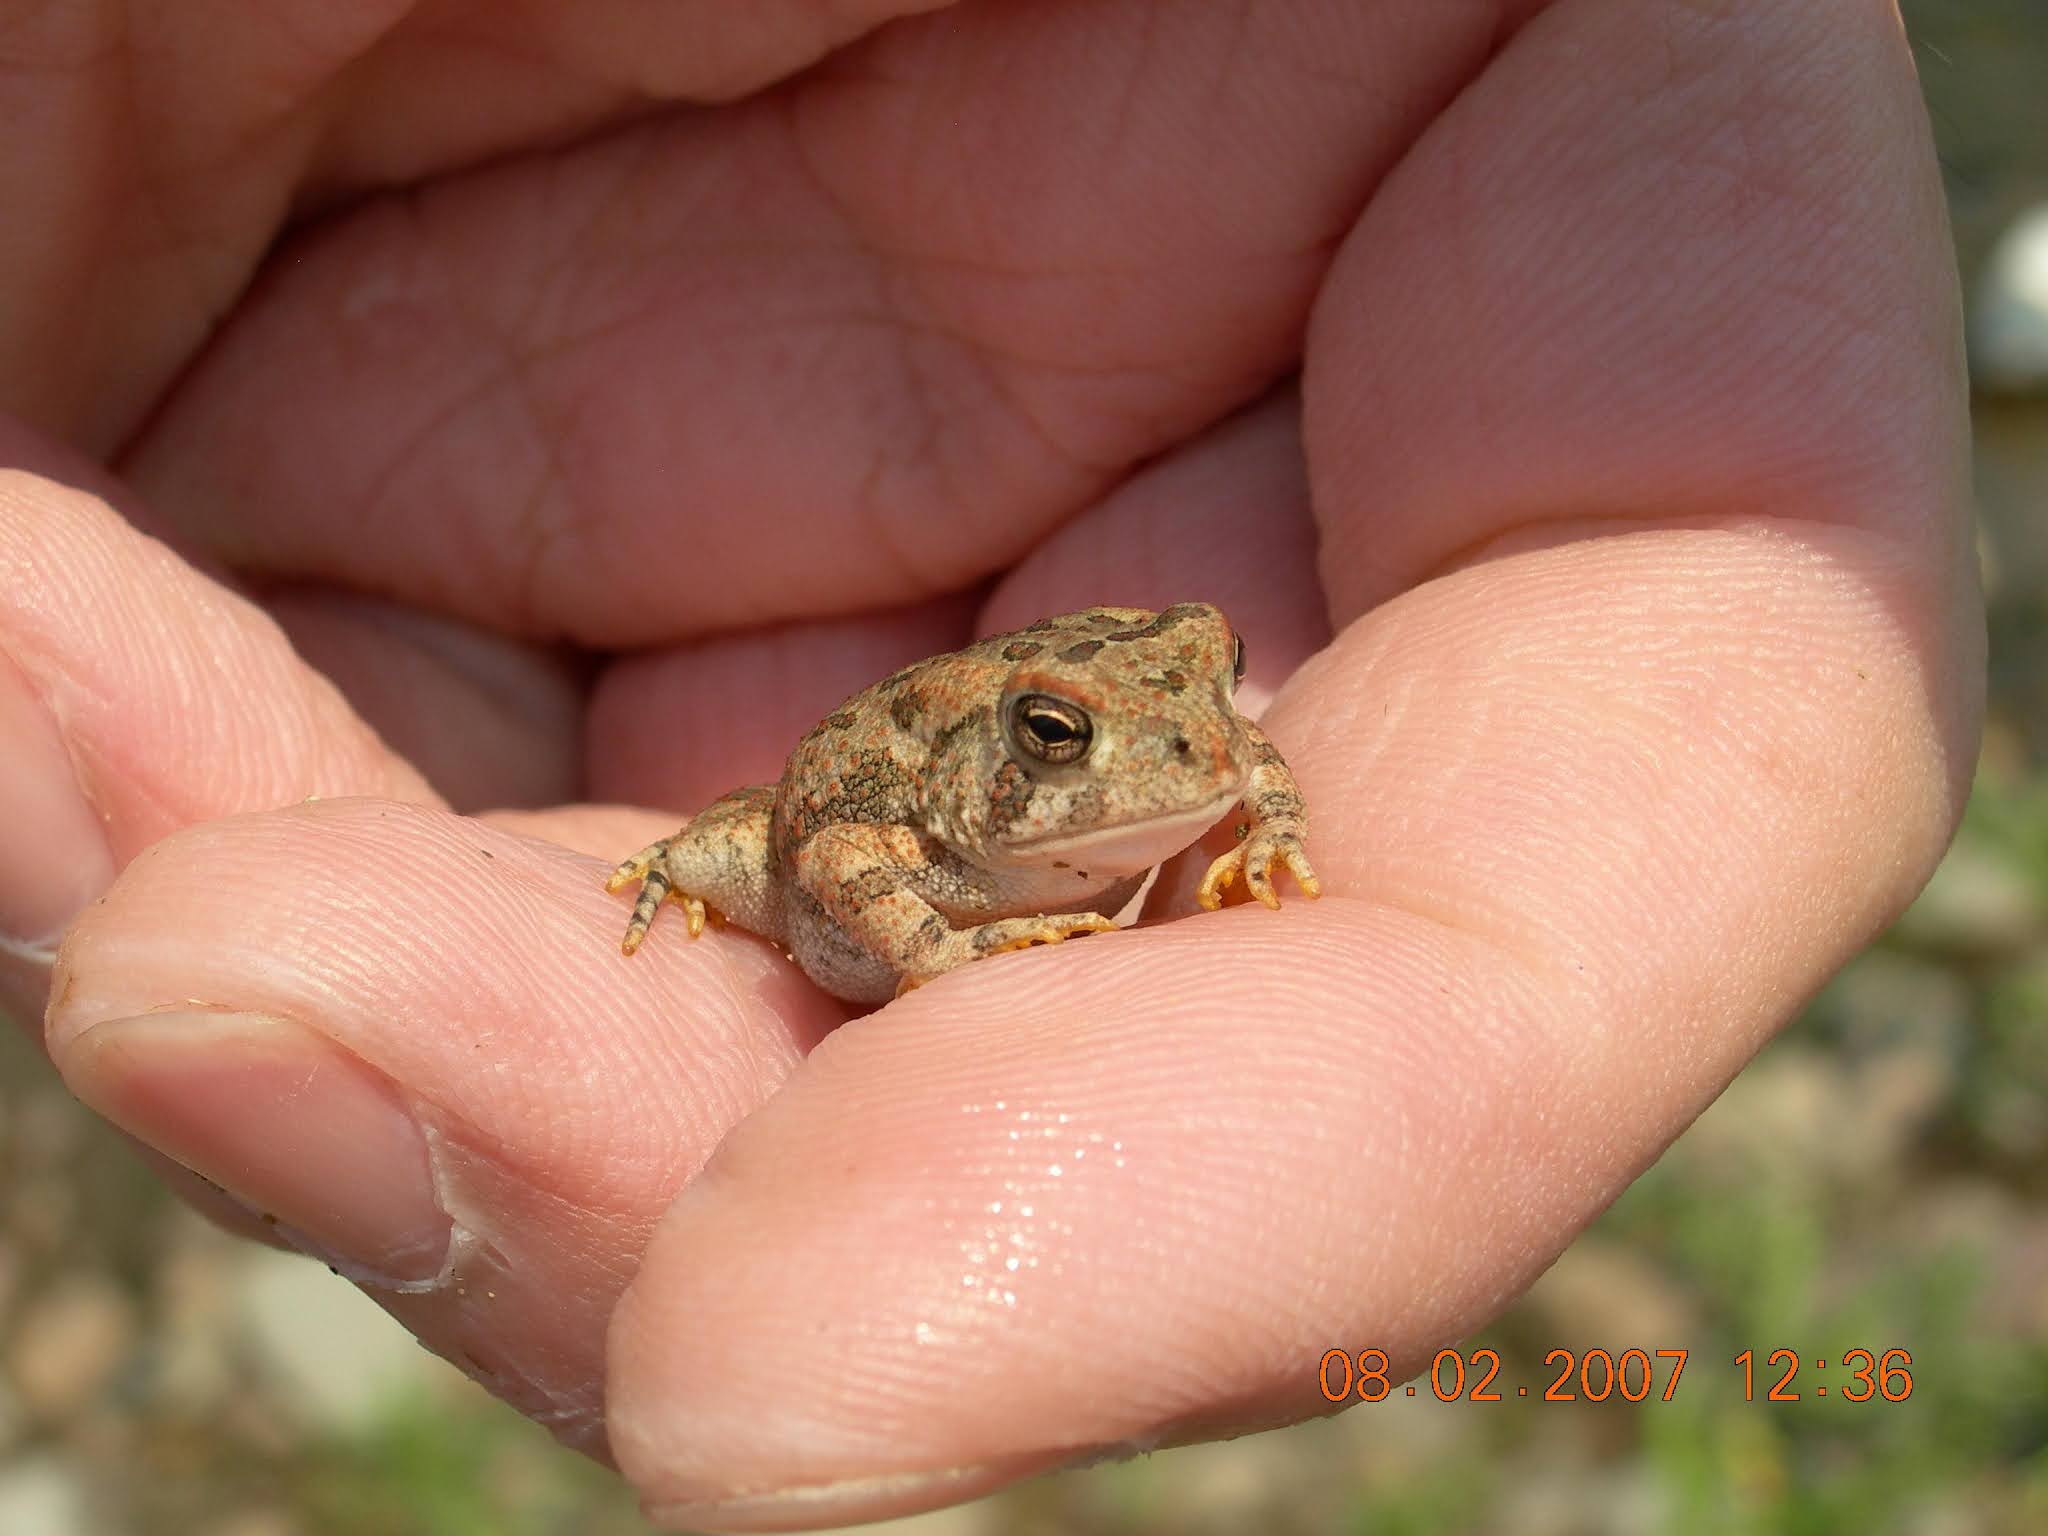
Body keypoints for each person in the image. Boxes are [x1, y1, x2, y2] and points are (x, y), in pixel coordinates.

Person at [0, 0, 1980, 1526]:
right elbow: (831, 855)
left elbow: (1230, 755)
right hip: (845, 815)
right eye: (1077, 745)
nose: (1199, 750)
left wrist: (1254, 811)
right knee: (708, 859)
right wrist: (954, 954)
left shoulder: (1199, 744)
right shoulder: (914, 809)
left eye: (1204, 702)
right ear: (1018, 750)